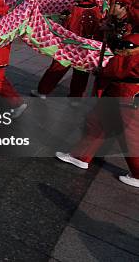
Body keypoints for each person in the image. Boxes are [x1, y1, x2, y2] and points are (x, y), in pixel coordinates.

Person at [55, 33, 138, 188]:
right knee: (97, 124)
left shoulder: (133, 42)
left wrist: (102, 71)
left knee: (130, 136)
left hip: (126, 94)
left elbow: (118, 69)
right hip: (123, 93)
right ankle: (80, 156)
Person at [32, 0, 103, 99]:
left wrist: (64, 21)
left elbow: (70, 29)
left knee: (57, 68)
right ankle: (75, 97)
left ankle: (43, 91)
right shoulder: (96, 10)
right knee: (81, 73)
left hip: (70, 45)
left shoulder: (77, 10)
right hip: (86, 47)